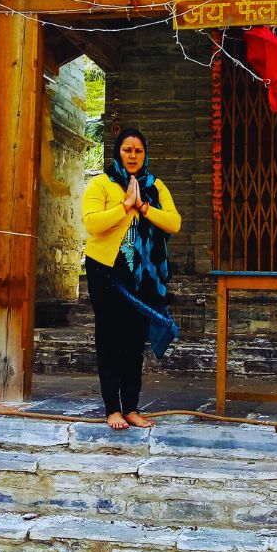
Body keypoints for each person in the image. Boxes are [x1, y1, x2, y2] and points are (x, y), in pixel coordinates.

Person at [82, 128, 182, 430]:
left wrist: (143, 207)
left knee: (134, 342)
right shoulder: (100, 184)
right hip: (106, 271)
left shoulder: (155, 186)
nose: (133, 156)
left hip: (144, 278)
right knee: (110, 340)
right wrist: (124, 206)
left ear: (145, 153)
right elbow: (92, 224)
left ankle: (132, 408)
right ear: (117, 152)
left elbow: (173, 222)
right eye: (127, 150)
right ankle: (112, 409)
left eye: (138, 151)